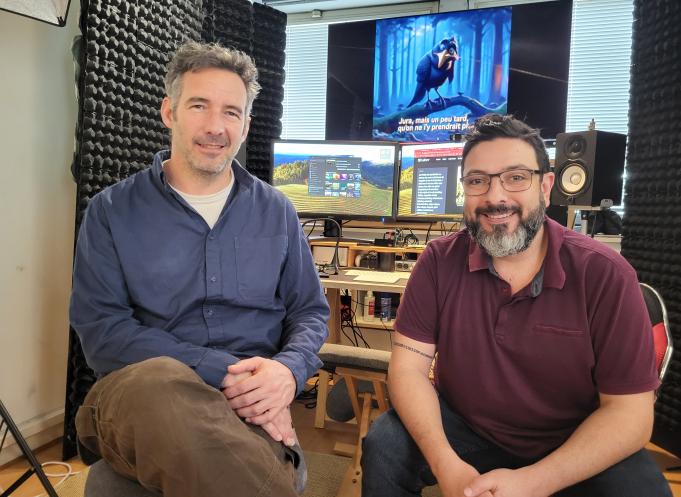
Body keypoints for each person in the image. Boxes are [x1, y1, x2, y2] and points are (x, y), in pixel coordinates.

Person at [361, 114, 671, 497]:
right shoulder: (438, 261)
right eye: (478, 181)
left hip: (575, 437)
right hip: (469, 428)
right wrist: (447, 465)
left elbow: (630, 415)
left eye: (515, 177)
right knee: (385, 447)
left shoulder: (605, 274)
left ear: (545, 186)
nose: (495, 197)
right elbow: (408, 370)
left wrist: (534, 482)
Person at [70, 41, 329, 497]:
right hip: (140, 399)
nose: (215, 127)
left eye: (231, 112)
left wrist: (286, 373)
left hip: (249, 408)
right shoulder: (110, 211)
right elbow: (104, 332)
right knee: (160, 379)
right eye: (199, 106)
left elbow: (309, 311)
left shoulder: (278, 212)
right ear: (169, 112)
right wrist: (228, 373)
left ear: (247, 125)